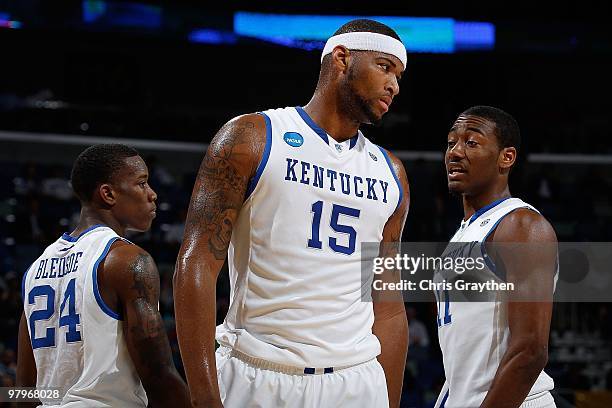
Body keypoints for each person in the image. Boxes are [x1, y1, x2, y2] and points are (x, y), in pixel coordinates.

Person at [174, 19, 410, 408]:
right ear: (341, 57)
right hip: (259, 373)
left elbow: (387, 304)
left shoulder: (391, 172)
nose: (394, 86)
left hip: (356, 380)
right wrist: (203, 397)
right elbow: (196, 262)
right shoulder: (253, 136)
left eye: (399, 75)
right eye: (385, 67)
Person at [17, 144, 190, 407]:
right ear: (108, 194)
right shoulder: (126, 260)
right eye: (142, 183)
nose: (152, 194)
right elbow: (158, 376)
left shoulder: (35, 270)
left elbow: (22, 391)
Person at [434, 106, 557, 408]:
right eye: (451, 142)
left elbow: (529, 351)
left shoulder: (521, 226)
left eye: (471, 142)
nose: (455, 152)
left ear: (507, 157)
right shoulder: (465, 232)